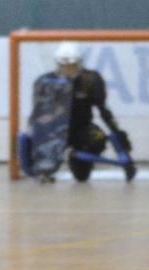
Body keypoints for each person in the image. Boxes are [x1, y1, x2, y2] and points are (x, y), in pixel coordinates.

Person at [27, 42, 134, 182]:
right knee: (33, 146)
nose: (68, 70)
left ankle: (78, 160)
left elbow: (104, 111)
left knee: (97, 141)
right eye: (64, 66)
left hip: (81, 128)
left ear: (80, 64)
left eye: (72, 66)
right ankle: (45, 167)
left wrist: (118, 135)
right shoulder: (46, 82)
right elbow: (38, 114)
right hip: (55, 131)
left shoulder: (91, 80)